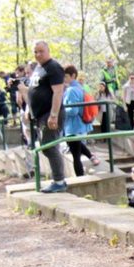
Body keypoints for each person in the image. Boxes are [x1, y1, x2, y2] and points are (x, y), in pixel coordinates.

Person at [29, 41, 68, 193]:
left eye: (41, 51)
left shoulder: (53, 67)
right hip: (40, 115)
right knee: (47, 147)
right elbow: (35, 88)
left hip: (50, 114)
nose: (38, 54)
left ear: (48, 50)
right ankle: (58, 179)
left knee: (50, 147)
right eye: (35, 52)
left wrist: (53, 115)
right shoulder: (39, 68)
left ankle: (59, 181)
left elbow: (58, 92)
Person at [61, 64, 101, 177]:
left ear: (73, 75)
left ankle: (80, 177)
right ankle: (91, 157)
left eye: (66, 76)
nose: (64, 78)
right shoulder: (80, 87)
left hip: (73, 126)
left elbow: (73, 111)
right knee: (77, 146)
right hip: (80, 125)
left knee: (75, 155)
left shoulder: (71, 90)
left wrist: (61, 109)